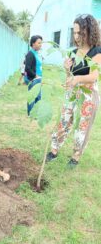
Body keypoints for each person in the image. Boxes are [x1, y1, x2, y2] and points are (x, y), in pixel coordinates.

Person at [46, 14, 101, 168]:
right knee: (64, 120)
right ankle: (54, 150)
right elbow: (69, 77)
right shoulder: (72, 52)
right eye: (75, 32)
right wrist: (67, 70)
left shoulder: (97, 51)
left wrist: (77, 79)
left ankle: (76, 156)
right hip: (72, 93)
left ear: (89, 31)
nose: (76, 36)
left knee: (82, 125)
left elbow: (94, 76)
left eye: (80, 33)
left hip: (88, 95)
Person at [25, 35, 43, 115]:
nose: (40, 44)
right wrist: (35, 76)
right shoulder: (30, 54)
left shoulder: (37, 53)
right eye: (39, 43)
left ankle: (35, 113)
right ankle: (31, 114)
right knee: (32, 97)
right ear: (33, 43)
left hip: (38, 79)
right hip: (33, 80)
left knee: (38, 98)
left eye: (41, 43)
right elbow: (27, 68)